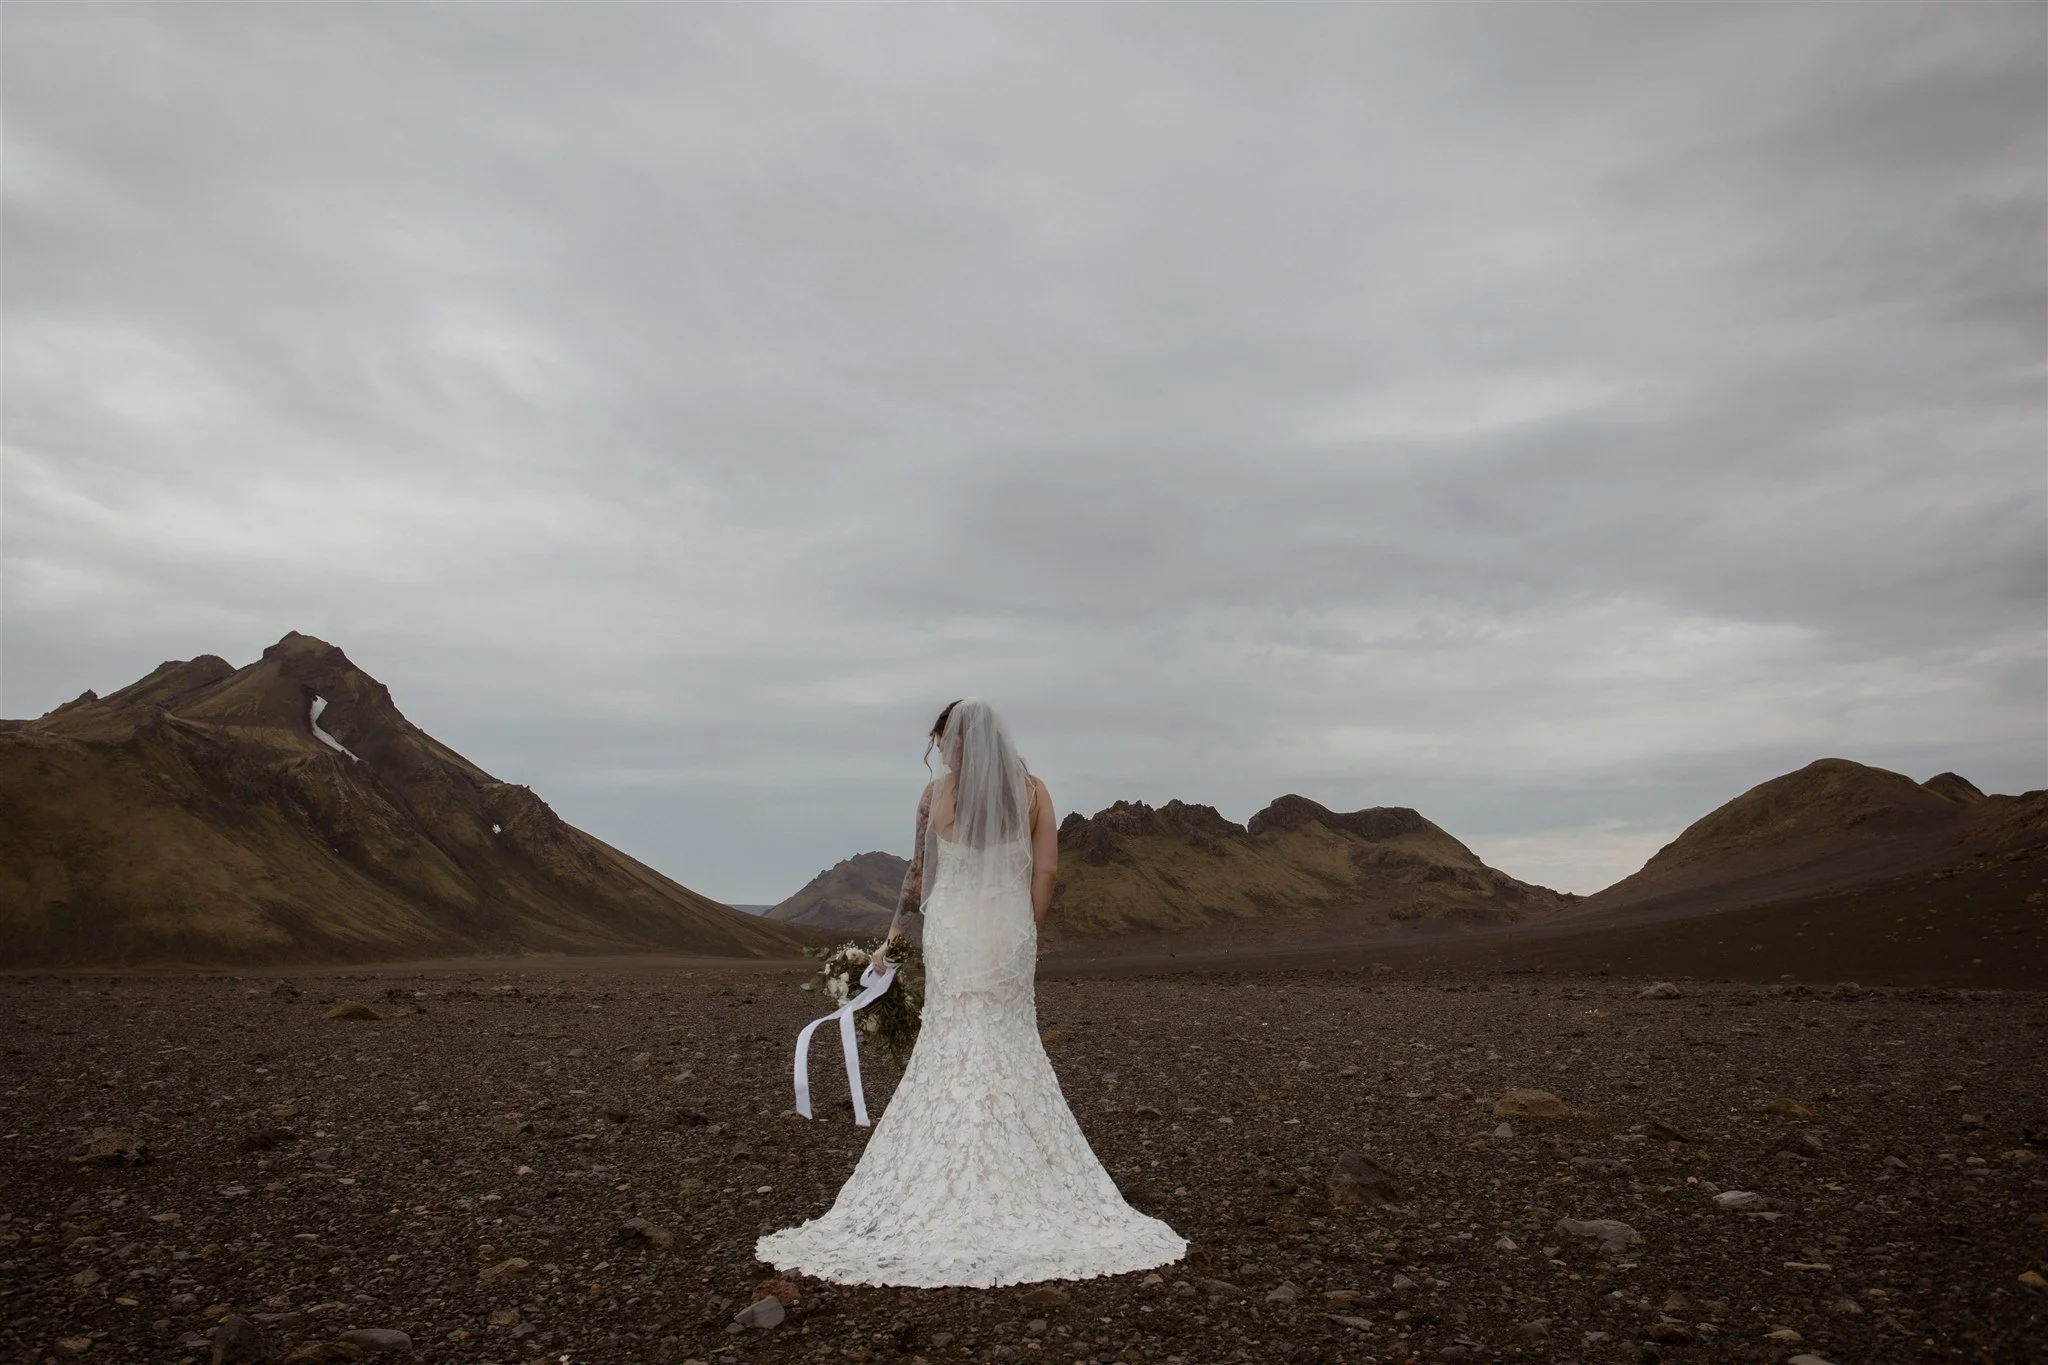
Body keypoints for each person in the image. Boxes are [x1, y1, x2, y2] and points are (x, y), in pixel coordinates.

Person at [756, 698, 1186, 1287]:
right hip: (1006, 929)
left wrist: (891, 941)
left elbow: (915, 875)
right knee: (1009, 1039)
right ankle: (1025, 1172)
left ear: (953, 741)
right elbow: (1047, 871)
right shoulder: (1033, 791)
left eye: (943, 744)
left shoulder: (935, 798)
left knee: (954, 1035)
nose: (944, 753)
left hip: (954, 929)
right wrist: (1024, 927)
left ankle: (941, 1172)